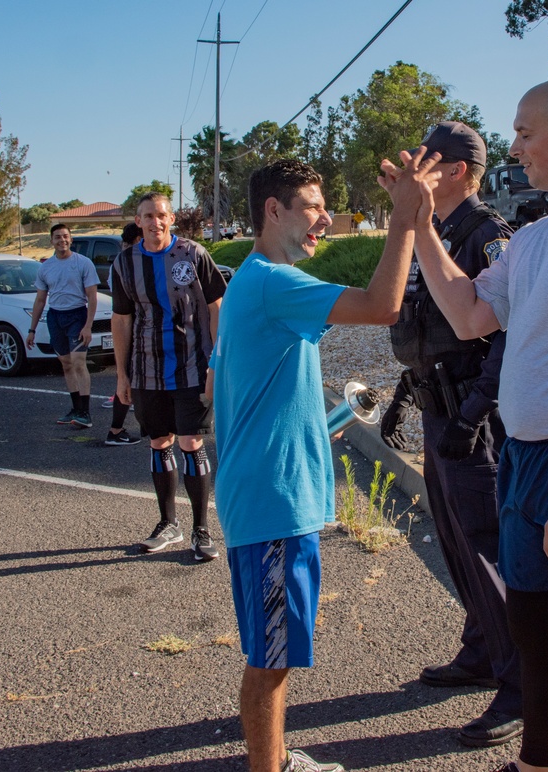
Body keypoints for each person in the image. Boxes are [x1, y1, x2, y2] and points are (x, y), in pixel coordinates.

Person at [381, 78, 548, 772]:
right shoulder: (533, 239)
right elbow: (468, 313)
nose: (515, 146)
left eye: (526, 132)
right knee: (532, 631)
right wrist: (415, 226)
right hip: (523, 462)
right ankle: (535, 763)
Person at [210, 158, 423, 772]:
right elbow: (384, 305)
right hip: (275, 506)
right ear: (272, 211)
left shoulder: (252, 282)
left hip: (268, 498)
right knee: (270, 662)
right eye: (310, 206)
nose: (323, 219)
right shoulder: (274, 283)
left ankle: (274, 760)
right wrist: (405, 220)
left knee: (272, 650)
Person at [379, 121, 523, 748]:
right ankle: (483, 650)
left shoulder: (488, 235)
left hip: (473, 418)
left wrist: (472, 414)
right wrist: (402, 396)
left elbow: (508, 333)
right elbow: (425, 322)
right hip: (438, 406)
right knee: (460, 541)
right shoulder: (430, 230)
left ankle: (522, 685)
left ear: (458, 170)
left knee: (490, 548)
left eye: (426, 162)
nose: (415, 171)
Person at [110, 192, 226, 562]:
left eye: (161, 215)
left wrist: (217, 361)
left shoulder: (193, 255)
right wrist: (122, 375)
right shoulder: (125, 263)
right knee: (159, 442)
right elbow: (122, 321)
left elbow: (216, 307)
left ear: (171, 218)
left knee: (191, 443)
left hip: (193, 367)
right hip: (147, 371)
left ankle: (201, 529)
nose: (155, 222)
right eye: (147, 216)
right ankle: (168, 523)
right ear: (138, 220)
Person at [26, 223, 99, 429]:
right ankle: (75, 409)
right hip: (56, 317)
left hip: (77, 315)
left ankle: (85, 413)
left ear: (71, 239)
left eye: (65, 236)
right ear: (52, 241)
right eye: (57, 237)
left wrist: (88, 326)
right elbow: (40, 300)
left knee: (78, 362)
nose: (62, 240)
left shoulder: (83, 263)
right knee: (66, 364)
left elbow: (92, 297)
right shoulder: (45, 267)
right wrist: (31, 330)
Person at [102, 222, 143, 446]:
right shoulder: (126, 263)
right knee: (128, 377)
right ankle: (115, 430)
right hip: (132, 327)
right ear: (138, 239)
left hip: (132, 326)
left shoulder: (124, 260)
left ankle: (121, 429)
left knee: (132, 378)